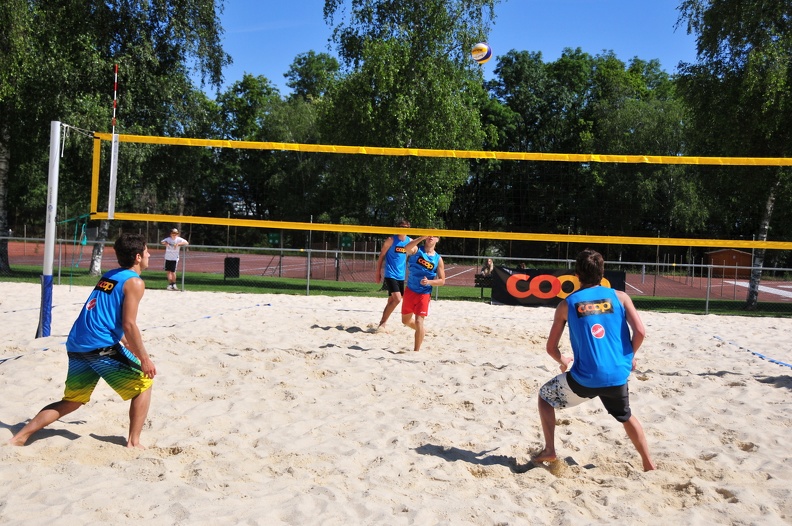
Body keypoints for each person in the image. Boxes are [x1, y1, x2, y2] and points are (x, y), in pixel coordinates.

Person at [8, 233, 157, 448]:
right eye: (146, 251)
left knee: (73, 401)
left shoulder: (110, 275)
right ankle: (134, 442)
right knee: (144, 383)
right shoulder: (135, 282)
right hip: (100, 345)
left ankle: (19, 437)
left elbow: (106, 315)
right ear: (137, 257)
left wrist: (125, 343)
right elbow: (129, 324)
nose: (149, 254)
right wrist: (144, 358)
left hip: (77, 342)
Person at [534, 249, 656, 471]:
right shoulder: (620, 297)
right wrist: (629, 357)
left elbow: (551, 348)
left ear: (577, 275)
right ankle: (648, 463)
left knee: (545, 397)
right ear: (602, 272)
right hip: (618, 374)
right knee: (626, 416)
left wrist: (563, 360)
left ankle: (550, 449)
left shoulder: (567, 304)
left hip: (585, 378)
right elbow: (640, 332)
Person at [401, 235, 445, 352]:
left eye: (434, 236)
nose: (431, 237)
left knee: (419, 321)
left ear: (438, 239)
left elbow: (442, 281)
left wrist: (429, 282)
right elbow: (406, 248)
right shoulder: (417, 249)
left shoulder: (438, 259)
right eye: (429, 235)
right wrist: (420, 238)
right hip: (410, 289)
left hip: (424, 293)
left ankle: (416, 351)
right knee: (405, 320)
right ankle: (421, 331)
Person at [375, 220, 412, 332]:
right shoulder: (391, 240)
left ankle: (383, 322)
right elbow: (381, 255)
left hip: (401, 275)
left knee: (392, 300)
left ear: (408, 228)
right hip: (390, 273)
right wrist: (378, 272)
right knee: (397, 299)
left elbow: (414, 253)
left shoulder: (409, 241)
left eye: (405, 227)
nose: (403, 228)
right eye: (401, 226)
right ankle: (382, 324)